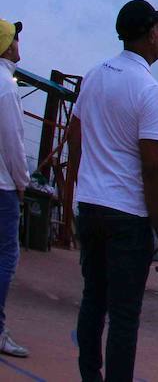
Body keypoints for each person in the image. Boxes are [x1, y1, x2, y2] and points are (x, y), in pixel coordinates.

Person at [70, 0, 158, 382]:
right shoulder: (149, 90)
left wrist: (76, 191)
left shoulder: (94, 74)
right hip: (127, 216)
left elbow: (74, 135)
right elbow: (152, 168)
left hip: (92, 206)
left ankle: (89, 377)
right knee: (125, 316)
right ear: (150, 35)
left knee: (93, 301)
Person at [0, 18, 29, 358]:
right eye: (15, 38)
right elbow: (12, 142)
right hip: (4, 187)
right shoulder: (7, 86)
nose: (19, 43)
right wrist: (23, 182)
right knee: (7, 257)